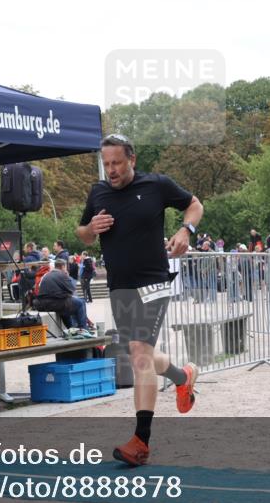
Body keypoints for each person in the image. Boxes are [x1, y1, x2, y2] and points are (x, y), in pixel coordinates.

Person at [77, 133, 203, 467]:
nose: (111, 170)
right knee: (141, 353)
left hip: (154, 282)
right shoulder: (98, 191)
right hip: (120, 286)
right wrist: (92, 228)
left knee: (138, 354)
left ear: (132, 160)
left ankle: (140, 442)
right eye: (106, 164)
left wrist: (185, 231)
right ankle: (183, 376)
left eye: (117, 163)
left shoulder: (157, 186)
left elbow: (195, 205)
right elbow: (82, 234)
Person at [32, 259, 92, 329]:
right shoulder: (61, 274)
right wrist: (67, 276)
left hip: (42, 303)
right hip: (54, 302)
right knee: (80, 303)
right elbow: (72, 289)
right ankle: (83, 328)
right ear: (63, 266)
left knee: (68, 305)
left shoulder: (47, 274)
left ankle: (72, 328)